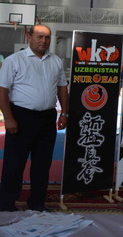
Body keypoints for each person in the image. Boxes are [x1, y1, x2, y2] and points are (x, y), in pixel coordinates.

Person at [0, 24, 69, 212]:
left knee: (42, 164)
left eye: (47, 37)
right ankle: (6, 203)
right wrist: (8, 117)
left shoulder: (56, 61)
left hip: (47, 118)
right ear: (29, 37)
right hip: (21, 116)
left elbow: (62, 88)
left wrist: (64, 112)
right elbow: (2, 90)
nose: (43, 41)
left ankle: (37, 202)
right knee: (14, 163)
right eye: (39, 36)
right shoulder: (14, 60)